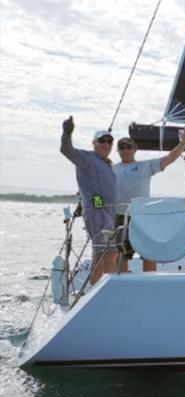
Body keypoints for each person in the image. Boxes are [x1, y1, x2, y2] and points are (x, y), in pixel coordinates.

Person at [113, 127, 185, 272]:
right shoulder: (111, 169)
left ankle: (149, 280)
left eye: (128, 147)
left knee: (148, 253)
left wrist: (183, 144)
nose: (125, 150)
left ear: (135, 149)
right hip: (120, 217)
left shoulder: (145, 166)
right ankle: (123, 282)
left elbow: (169, 158)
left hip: (143, 217)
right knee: (122, 254)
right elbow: (98, 191)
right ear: (118, 150)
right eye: (122, 147)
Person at [59, 116, 118, 284]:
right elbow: (66, 150)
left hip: (108, 214)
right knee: (108, 252)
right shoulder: (86, 158)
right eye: (102, 141)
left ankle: (95, 288)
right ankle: (108, 290)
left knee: (102, 252)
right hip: (98, 212)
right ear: (94, 143)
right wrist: (67, 132)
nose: (106, 144)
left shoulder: (106, 163)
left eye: (109, 141)